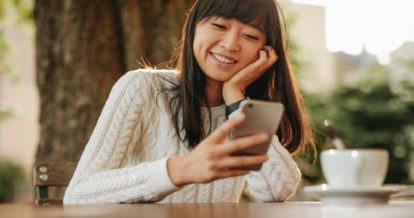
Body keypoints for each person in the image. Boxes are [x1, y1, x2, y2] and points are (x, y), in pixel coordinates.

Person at [63, 0, 315, 204]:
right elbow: (78, 195)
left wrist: (236, 98)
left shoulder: (245, 113)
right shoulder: (141, 88)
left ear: (266, 51)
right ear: (193, 27)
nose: (230, 44)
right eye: (219, 25)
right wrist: (177, 171)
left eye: (250, 36)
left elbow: (277, 190)